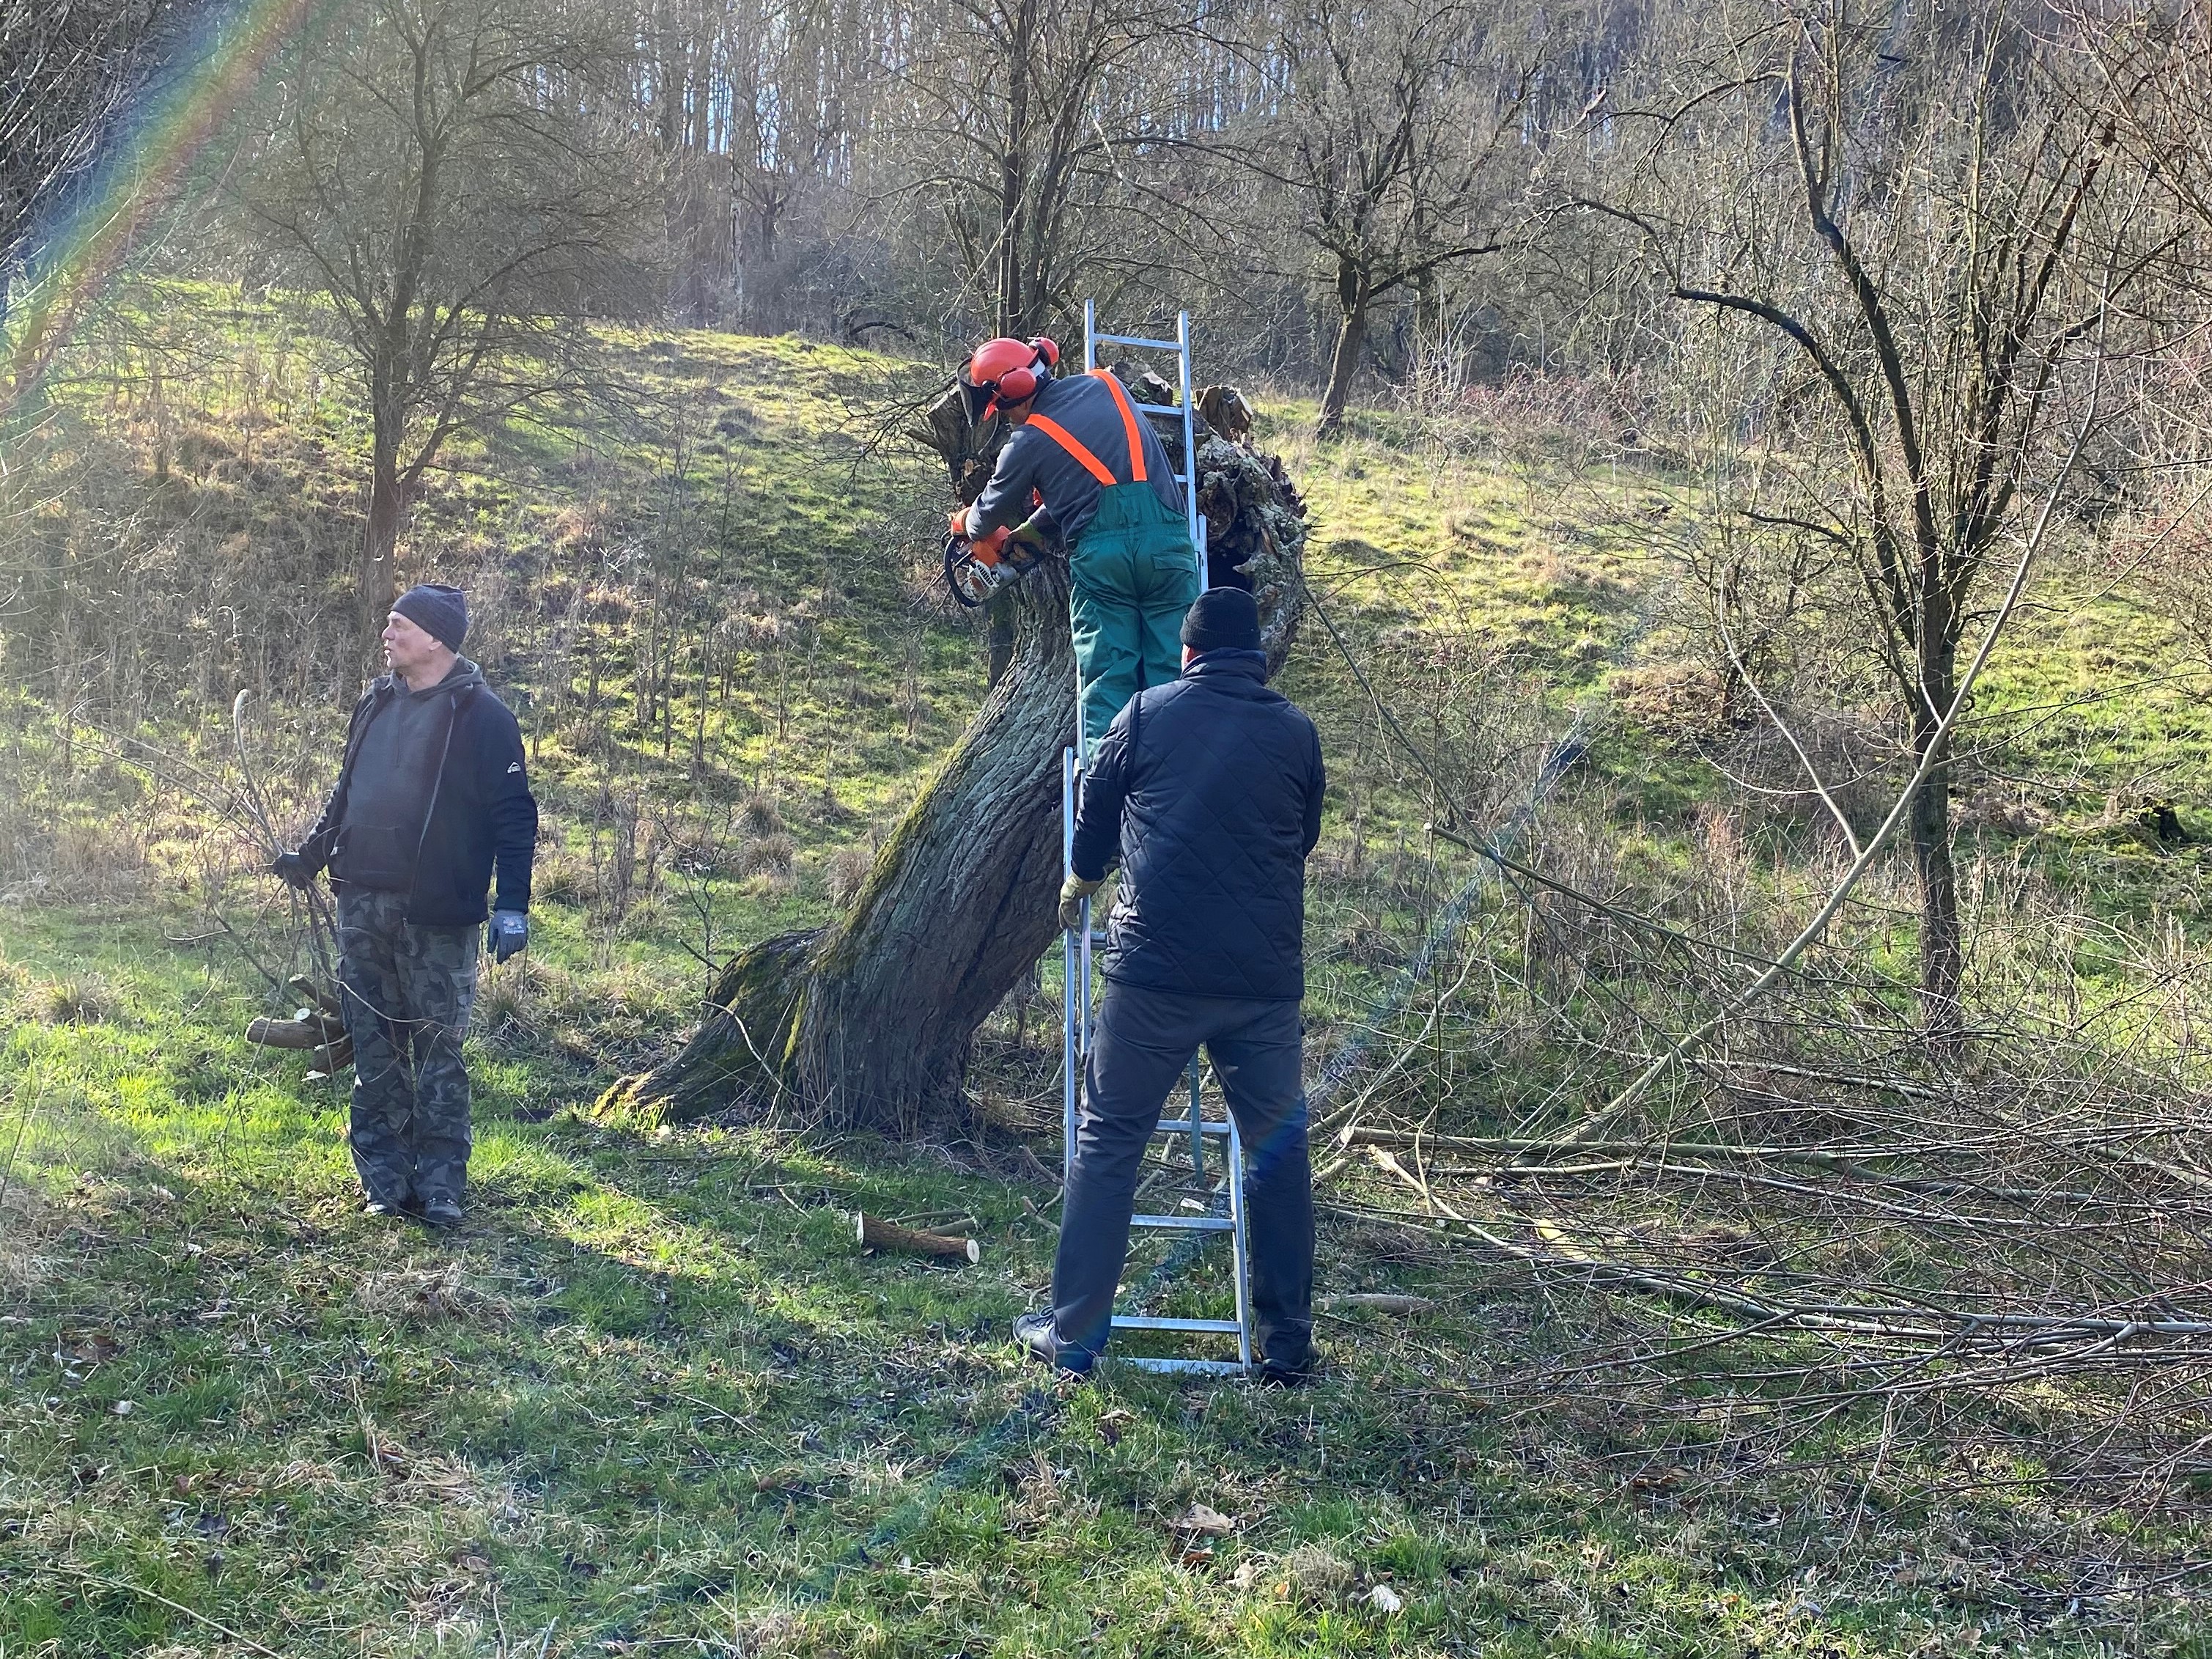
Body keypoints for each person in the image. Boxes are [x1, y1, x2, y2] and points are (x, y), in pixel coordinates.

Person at [1016, 587, 1326, 1382]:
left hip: (1153, 975)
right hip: (1261, 985)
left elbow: (1095, 813)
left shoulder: (1146, 714)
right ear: (1256, 658)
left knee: (1109, 1139)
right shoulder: (1296, 731)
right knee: (1277, 1150)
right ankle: (1286, 1343)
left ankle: (1074, 1335)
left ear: (1187, 654)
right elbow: (1304, 836)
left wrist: (1082, 877)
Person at [272, 584, 537, 1227]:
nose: (386, 634)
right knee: (375, 1047)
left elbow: (514, 817)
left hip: (438, 912)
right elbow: (346, 792)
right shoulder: (375, 702)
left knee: (438, 1051)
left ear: (436, 638)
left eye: (399, 624)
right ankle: (384, 1183)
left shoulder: (485, 717)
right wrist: (311, 855)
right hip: (361, 903)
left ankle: (442, 1186)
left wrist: (513, 904)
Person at [955, 336, 1201, 747]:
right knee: (1176, 675)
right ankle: (1173, 777)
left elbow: (985, 519)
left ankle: (1106, 781)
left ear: (1012, 392)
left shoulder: (1027, 441)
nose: (1007, 418)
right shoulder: (1107, 385)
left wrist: (965, 521)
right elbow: (1099, 483)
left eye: (1002, 409)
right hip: (1169, 547)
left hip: (1104, 559)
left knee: (1109, 679)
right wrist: (1034, 530)